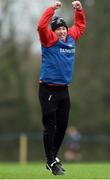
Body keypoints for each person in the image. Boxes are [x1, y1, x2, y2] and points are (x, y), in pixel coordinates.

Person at [37, 0, 86, 176]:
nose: (62, 31)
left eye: (63, 28)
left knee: (63, 126)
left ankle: (53, 157)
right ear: (53, 31)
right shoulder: (49, 39)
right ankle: (50, 159)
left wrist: (79, 10)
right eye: (58, 29)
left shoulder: (71, 37)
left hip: (64, 90)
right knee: (50, 126)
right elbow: (41, 26)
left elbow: (80, 26)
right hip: (48, 89)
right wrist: (52, 9)